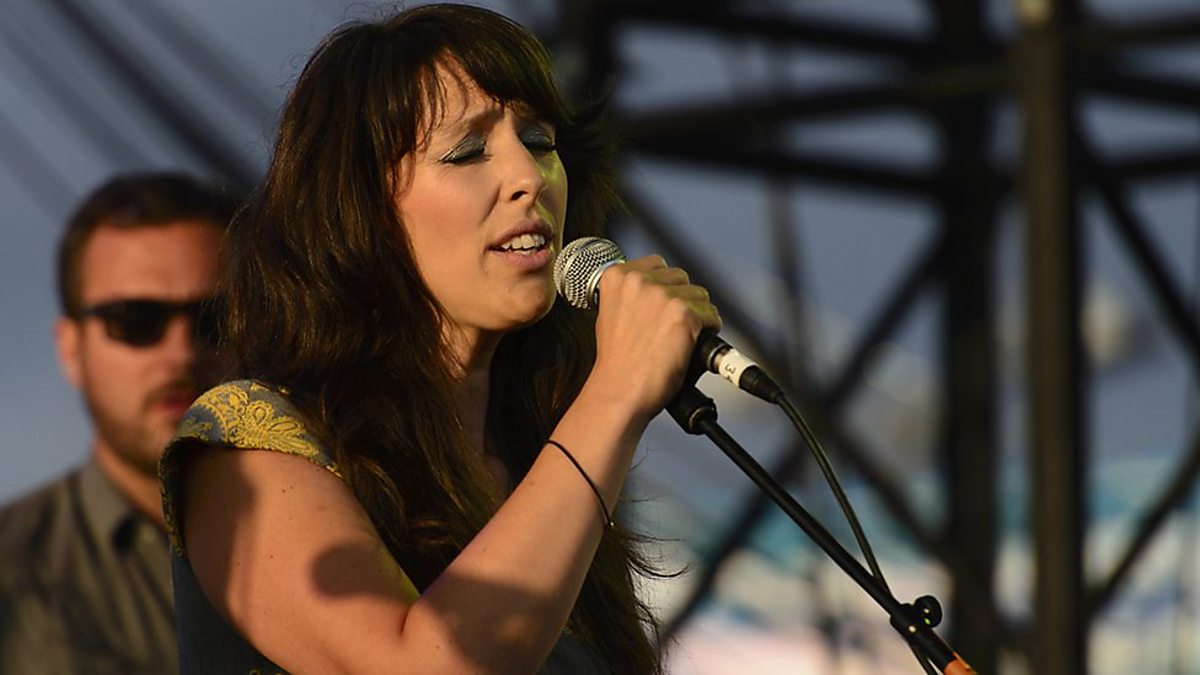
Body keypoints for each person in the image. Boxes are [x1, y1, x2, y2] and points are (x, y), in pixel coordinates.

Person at [161, 5, 720, 673]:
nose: (529, 177)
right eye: (467, 152)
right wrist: (616, 394)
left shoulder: (536, 455)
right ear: (364, 214)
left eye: (539, 141)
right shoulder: (248, 443)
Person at [0, 171, 235, 674]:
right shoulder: (11, 573)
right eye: (134, 320)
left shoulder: (369, 525)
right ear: (71, 349)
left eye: (214, 318)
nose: (181, 353)